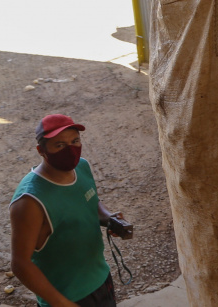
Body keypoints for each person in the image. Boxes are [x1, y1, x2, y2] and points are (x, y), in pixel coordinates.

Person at [9, 114, 128, 307]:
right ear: (41, 150)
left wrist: (108, 217)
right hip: (67, 297)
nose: (71, 150)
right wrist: (62, 304)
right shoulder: (30, 200)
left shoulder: (82, 167)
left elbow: (90, 201)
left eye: (75, 141)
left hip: (100, 280)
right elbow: (20, 264)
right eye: (60, 145)